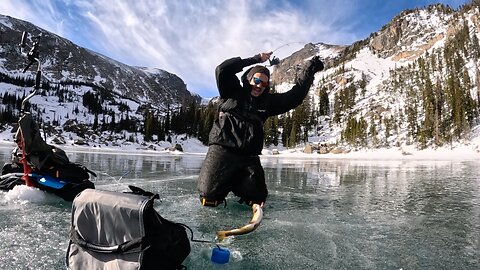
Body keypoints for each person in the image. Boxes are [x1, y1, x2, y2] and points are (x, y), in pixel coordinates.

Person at [197, 51, 324, 207]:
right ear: (249, 79)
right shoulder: (231, 91)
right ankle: (225, 184)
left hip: (248, 157)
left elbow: (295, 97)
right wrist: (256, 59)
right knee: (208, 196)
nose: (259, 85)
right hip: (222, 151)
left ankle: (238, 184)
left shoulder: (268, 102)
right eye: (257, 80)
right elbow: (222, 69)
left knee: (258, 198)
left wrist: (309, 70)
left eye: (264, 83)